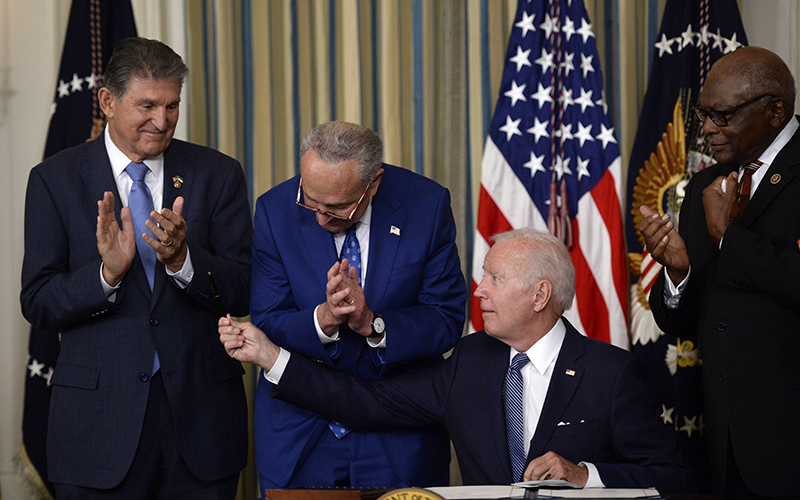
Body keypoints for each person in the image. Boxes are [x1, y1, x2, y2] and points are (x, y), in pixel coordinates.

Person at [222, 228, 696, 494]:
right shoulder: (471, 361)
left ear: (540, 295)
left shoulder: (611, 373)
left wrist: (584, 475)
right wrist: (272, 356)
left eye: (494, 277)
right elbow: (366, 401)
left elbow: (675, 478)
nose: (479, 289)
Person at [20, 37, 251, 499]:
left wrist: (183, 261)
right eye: (147, 105)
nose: (161, 121)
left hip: (201, 427)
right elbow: (38, 301)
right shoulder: (54, 179)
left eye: (172, 106)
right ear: (107, 100)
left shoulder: (217, 173)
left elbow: (244, 288)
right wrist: (106, 276)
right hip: (96, 430)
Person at [249, 121, 467, 489]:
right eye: (311, 200)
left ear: (374, 184)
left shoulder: (426, 205)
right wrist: (324, 319)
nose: (320, 216)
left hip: (399, 437)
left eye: (337, 208)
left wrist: (372, 323)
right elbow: (268, 318)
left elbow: (445, 318)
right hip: (303, 436)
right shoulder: (275, 209)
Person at [639, 46, 800, 498]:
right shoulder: (704, 186)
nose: (708, 129)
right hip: (723, 442)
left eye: (722, 115)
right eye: (704, 114)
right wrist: (678, 275)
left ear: (774, 111)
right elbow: (683, 321)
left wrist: (730, 238)